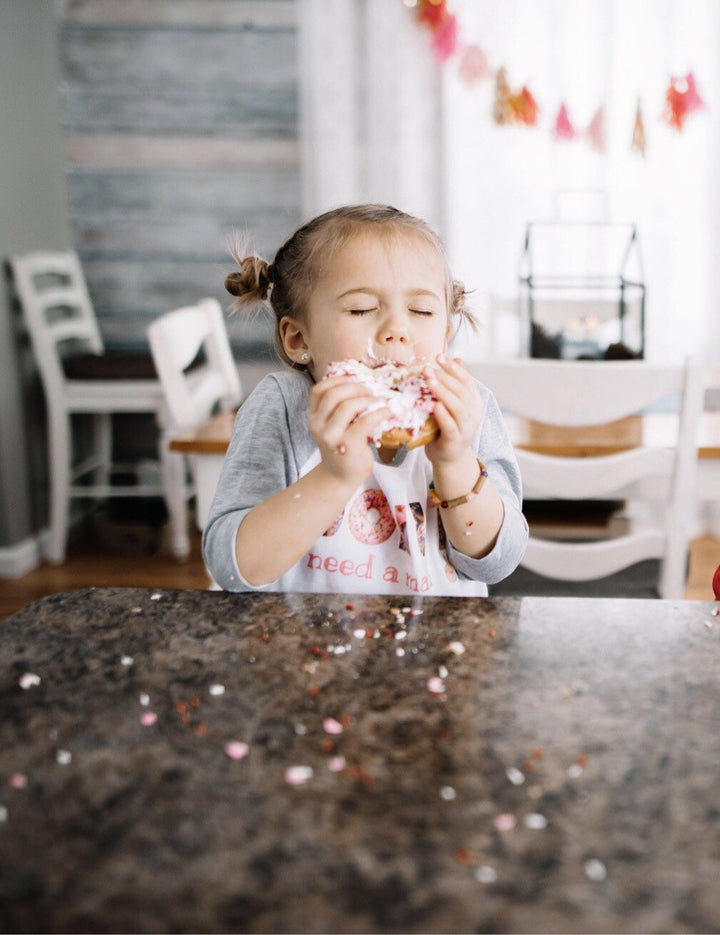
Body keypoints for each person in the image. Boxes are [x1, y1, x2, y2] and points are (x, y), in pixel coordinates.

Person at [202, 204, 528, 596]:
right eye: (361, 309)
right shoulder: (282, 407)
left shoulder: (468, 408)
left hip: (437, 647)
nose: (397, 330)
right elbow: (234, 569)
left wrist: (456, 462)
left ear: (445, 333)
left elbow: (498, 561)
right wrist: (335, 476)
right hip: (305, 646)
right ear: (299, 340)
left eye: (421, 310)